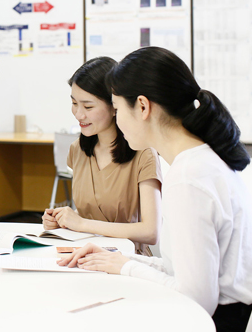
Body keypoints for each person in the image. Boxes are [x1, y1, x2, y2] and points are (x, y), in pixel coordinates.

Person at [59, 47, 252, 332]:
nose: (117, 118)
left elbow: (197, 298)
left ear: (143, 106)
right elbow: (181, 272)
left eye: (118, 108)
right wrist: (120, 259)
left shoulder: (189, 179)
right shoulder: (200, 161)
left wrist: (126, 267)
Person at [42, 57, 162, 254]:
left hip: (128, 262)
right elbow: (89, 212)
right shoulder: (77, 150)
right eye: (74, 103)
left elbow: (151, 232)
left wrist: (82, 223)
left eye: (88, 107)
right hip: (85, 255)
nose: (79, 114)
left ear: (114, 106)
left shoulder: (144, 153)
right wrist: (60, 221)